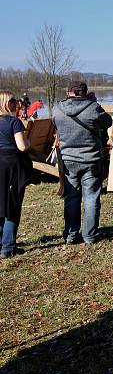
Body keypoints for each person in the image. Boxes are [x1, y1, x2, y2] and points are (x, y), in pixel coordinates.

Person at [52, 80, 112, 245]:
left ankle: (70, 234)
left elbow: (55, 124)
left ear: (68, 92)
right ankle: (89, 236)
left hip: (68, 158)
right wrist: (95, 103)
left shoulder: (57, 109)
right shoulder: (92, 108)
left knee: (71, 197)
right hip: (91, 159)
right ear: (85, 93)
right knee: (91, 197)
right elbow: (108, 122)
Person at [0, 92, 31, 258]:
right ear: (6, 103)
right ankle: (7, 247)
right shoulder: (14, 122)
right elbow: (22, 147)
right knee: (12, 205)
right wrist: (29, 142)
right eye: (12, 101)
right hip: (11, 165)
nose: (15, 103)